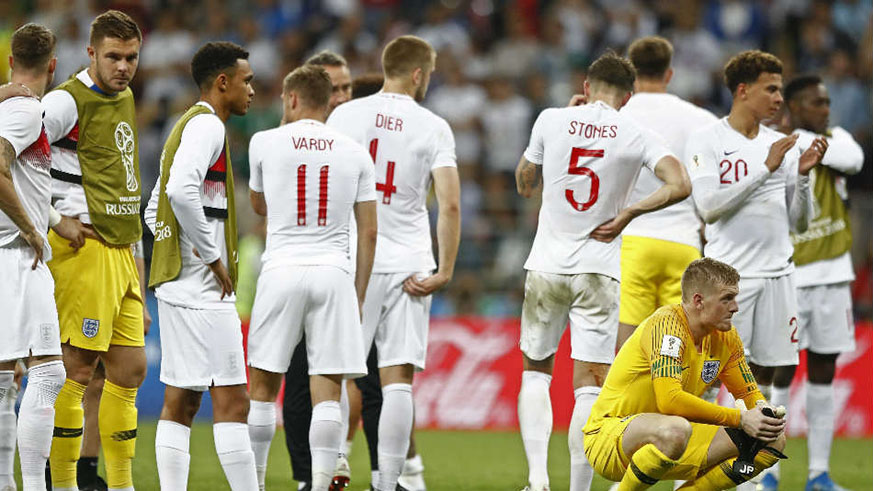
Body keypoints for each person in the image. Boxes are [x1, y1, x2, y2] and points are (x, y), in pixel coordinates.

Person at [514, 51, 691, 491]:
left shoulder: (550, 119)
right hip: (600, 270)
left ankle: (537, 481)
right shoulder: (636, 131)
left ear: (587, 86)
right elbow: (681, 184)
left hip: (546, 267)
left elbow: (523, 183)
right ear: (628, 96)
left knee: (536, 371)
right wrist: (631, 211)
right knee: (590, 388)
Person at [326, 35, 461, 491]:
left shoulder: (344, 115)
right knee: (397, 379)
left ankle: (332, 469)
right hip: (410, 267)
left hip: (353, 262)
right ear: (419, 74)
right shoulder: (433, 126)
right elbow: (450, 205)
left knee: (342, 371)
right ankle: (388, 483)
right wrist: (445, 268)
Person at [245, 64, 377, 491]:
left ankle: (257, 483)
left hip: (281, 267)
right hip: (334, 272)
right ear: (328, 101)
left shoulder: (264, 141)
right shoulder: (355, 151)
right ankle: (319, 485)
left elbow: (260, 207)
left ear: (292, 98)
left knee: (264, 386)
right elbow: (369, 229)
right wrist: (358, 292)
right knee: (328, 388)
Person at [683, 51, 827, 407]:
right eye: (771, 89)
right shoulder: (707, 139)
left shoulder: (781, 145)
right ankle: (707, 457)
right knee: (714, 374)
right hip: (729, 279)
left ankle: (747, 462)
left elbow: (801, 223)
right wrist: (764, 169)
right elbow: (709, 207)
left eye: (780, 90)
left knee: (762, 373)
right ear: (743, 91)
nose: (780, 98)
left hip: (778, 274)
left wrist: (804, 176)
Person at [42, 11, 148, 491]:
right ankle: (61, 480)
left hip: (122, 251)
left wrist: (140, 278)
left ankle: (118, 483)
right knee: (78, 369)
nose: (123, 66)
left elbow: (127, 183)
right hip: (83, 248)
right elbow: (11, 156)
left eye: (131, 57)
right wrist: (54, 218)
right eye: (113, 56)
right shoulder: (67, 100)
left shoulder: (124, 97)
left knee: (130, 369)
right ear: (90, 53)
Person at [145, 41, 258, 490]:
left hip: (180, 287)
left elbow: (157, 200)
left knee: (182, 403)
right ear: (223, 82)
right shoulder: (208, 126)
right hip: (200, 292)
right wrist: (210, 256)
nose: (252, 90)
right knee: (233, 402)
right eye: (247, 81)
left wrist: (176, 246)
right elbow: (176, 193)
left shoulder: (186, 124)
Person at [583, 258, 788, 489]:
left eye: (735, 297)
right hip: (610, 438)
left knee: (772, 440)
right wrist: (740, 419)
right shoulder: (667, 327)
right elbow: (669, 401)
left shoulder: (727, 337)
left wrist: (763, 412)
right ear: (698, 300)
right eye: (727, 298)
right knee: (676, 429)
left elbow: (748, 393)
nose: (735, 307)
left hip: (672, 439)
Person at [762, 74, 863, 491]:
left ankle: (818, 473)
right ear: (794, 106)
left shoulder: (834, 138)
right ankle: (767, 471)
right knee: (778, 373)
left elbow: (854, 159)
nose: (826, 109)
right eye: (817, 103)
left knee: (824, 370)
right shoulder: (775, 145)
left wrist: (801, 135)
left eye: (826, 102)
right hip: (791, 275)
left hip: (834, 276)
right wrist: (797, 138)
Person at [279, 49, 357, 491]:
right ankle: (310, 475)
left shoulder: (359, 139)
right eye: (333, 89)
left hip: (355, 273)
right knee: (300, 378)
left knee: (358, 377)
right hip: (307, 270)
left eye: (346, 88)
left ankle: (345, 465)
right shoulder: (284, 141)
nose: (342, 96)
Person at [0, 22, 70, 491]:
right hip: (15, 254)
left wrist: (53, 218)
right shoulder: (26, 109)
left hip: (7, 254)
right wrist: (32, 227)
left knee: (6, 379)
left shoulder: (10, 105)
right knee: (48, 374)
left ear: (9, 60)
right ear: (53, 65)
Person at [617, 36, 718, 349]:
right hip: (683, 243)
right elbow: (711, 186)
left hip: (630, 241)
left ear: (630, 72)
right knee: (679, 350)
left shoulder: (616, 116)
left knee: (627, 351)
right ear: (669, 74)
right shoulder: (701, 120)